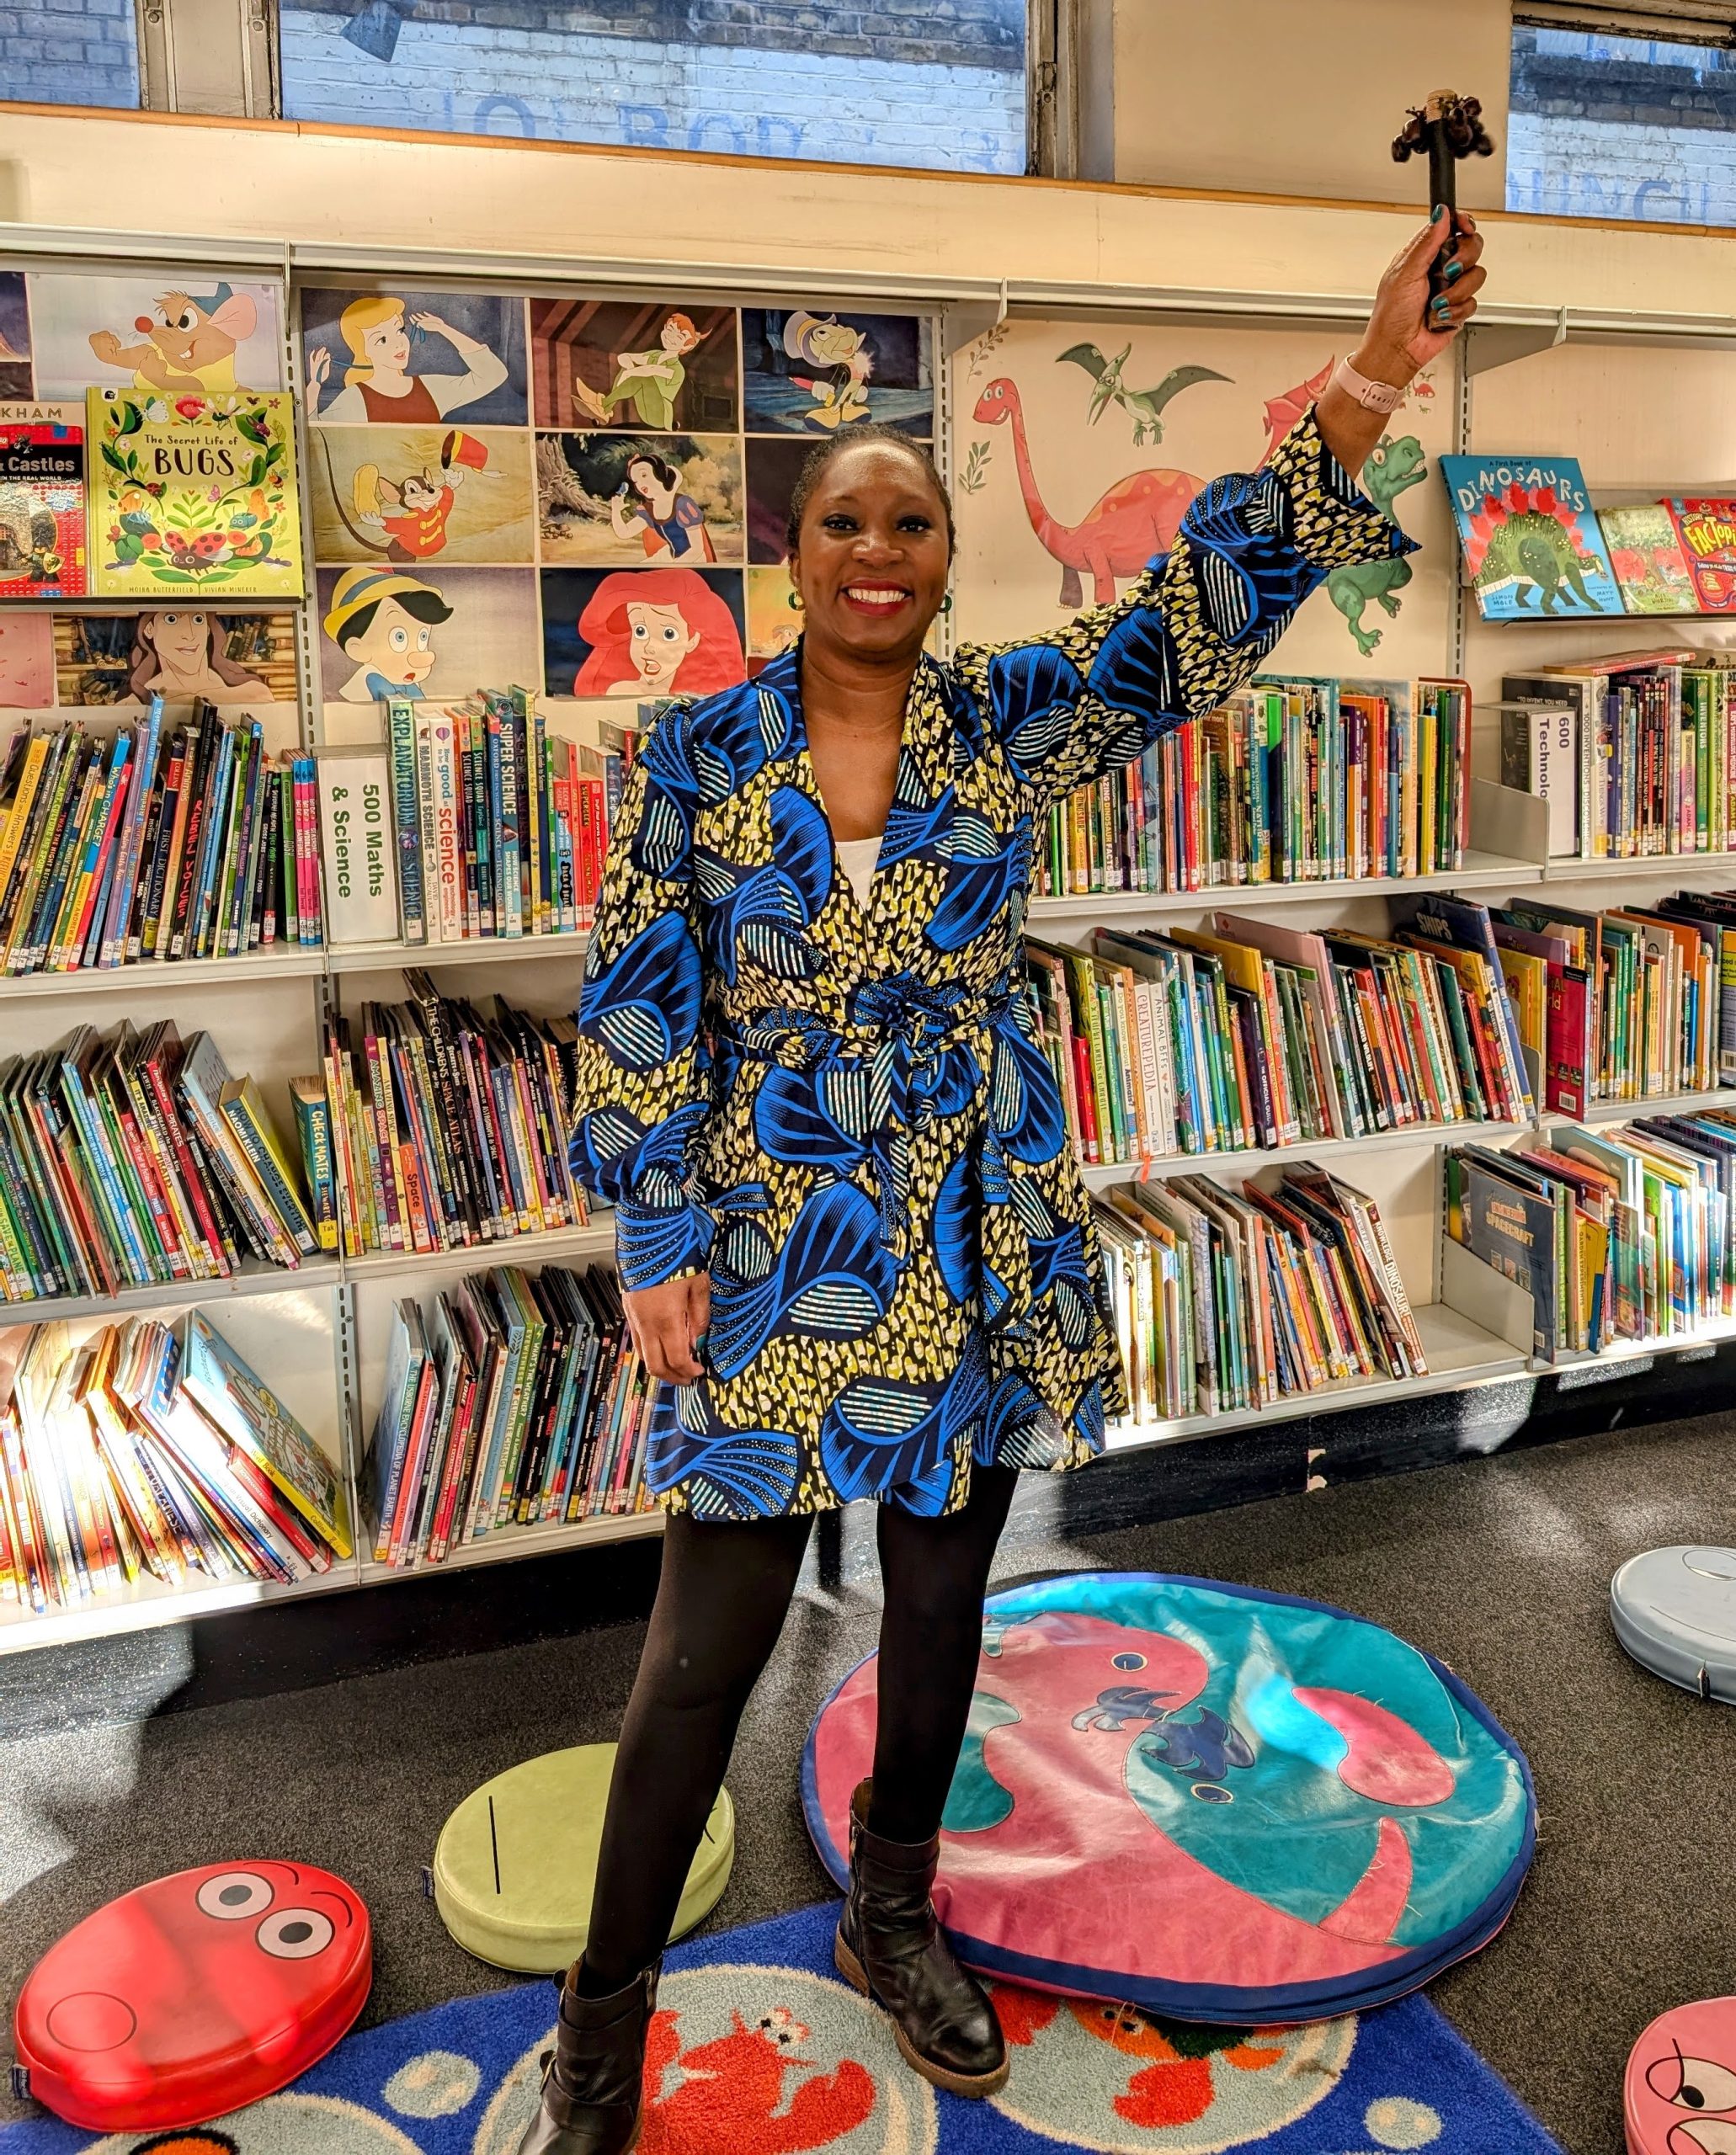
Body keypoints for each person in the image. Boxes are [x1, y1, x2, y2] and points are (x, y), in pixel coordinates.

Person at [529, 211, 1485, 2155]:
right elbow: (640, 988)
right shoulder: (701, 747)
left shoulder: (1006, 720)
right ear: (788, 557)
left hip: (977, 1227)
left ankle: (895, 1909)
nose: (875, 552)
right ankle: (603, 2009)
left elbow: (1199, 616)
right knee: (694, 1654)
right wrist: (651, 1223)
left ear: (942, 557)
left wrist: (1371, 370)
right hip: (779, 1249)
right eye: (840, 524)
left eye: (906, 523)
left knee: (945, 1594)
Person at [306, 297, 509, 424]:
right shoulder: (355, 398)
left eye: (399, 330)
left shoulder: (430, 387)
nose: (398, 344)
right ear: (363, 350)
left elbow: (493, 375)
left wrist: (443, 329)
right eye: (382, 339)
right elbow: (315, 437)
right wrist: (314, 386)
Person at [570, 567, 745, 699]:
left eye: (669, 634)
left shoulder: (702, 701)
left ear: (692, 640)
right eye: (640, 631)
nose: (649, 647)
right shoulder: (614, 691)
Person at [129, 609, 270, 704]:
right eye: (171, 619)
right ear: (149, 629)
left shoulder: (256, 692)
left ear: (208, 629)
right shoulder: (133, 703)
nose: (190, 635)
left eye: (198, 619)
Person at [609, 451, 717, 564]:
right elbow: (624, 533)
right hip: (670, 556)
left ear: (659, 474)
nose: (640, 483)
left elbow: (696, 550)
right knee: (637, 571)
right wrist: (616, 511)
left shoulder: (682, 504)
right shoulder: (649, 509)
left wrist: (672, 568)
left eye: (644, 475)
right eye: (636, 481)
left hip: (693, 560)